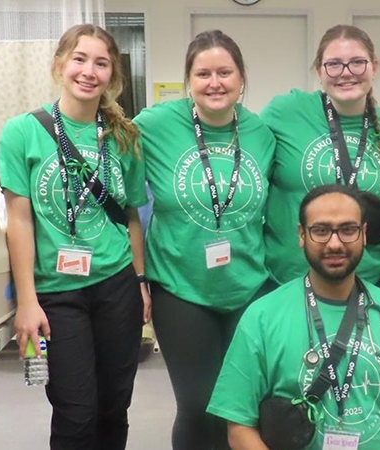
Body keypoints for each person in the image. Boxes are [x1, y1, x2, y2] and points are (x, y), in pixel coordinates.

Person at [0, 23, 150, 450]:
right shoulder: (22, 132)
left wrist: (140, 281)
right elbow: (19, 221)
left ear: (112, 75)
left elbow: (131, 216)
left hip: (117, 284)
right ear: (60, 65)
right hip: (57, 292)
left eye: (101, 63)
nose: (89, 71)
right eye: (80, 59)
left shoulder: (124, 137)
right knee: (76, 412)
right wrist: (26, 301)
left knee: (114, 406)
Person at [207, 183, 380, 450]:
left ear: (364, 234)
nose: (335, 243)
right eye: (321, 230)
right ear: (301, 235)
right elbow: (239, 426)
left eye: (348, 230)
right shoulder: (262, 317)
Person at [132, 30, 276, 450]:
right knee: (198, 406)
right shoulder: (155, 125)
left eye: (225, 72)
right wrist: (137, 277)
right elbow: (112, 166)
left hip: (249, 288)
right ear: (188, 80)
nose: (215, 83)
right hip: (181, 288)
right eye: (203, 74)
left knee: (243, 406)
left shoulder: (261, 133)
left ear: (241, 78)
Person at [260, 24, 380, 288]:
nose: (346, 72)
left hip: (365, 282)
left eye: (357, 62)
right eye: (334, 64)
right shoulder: (285, 113)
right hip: (288, 282)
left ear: (374, 67)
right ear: (319, 71)